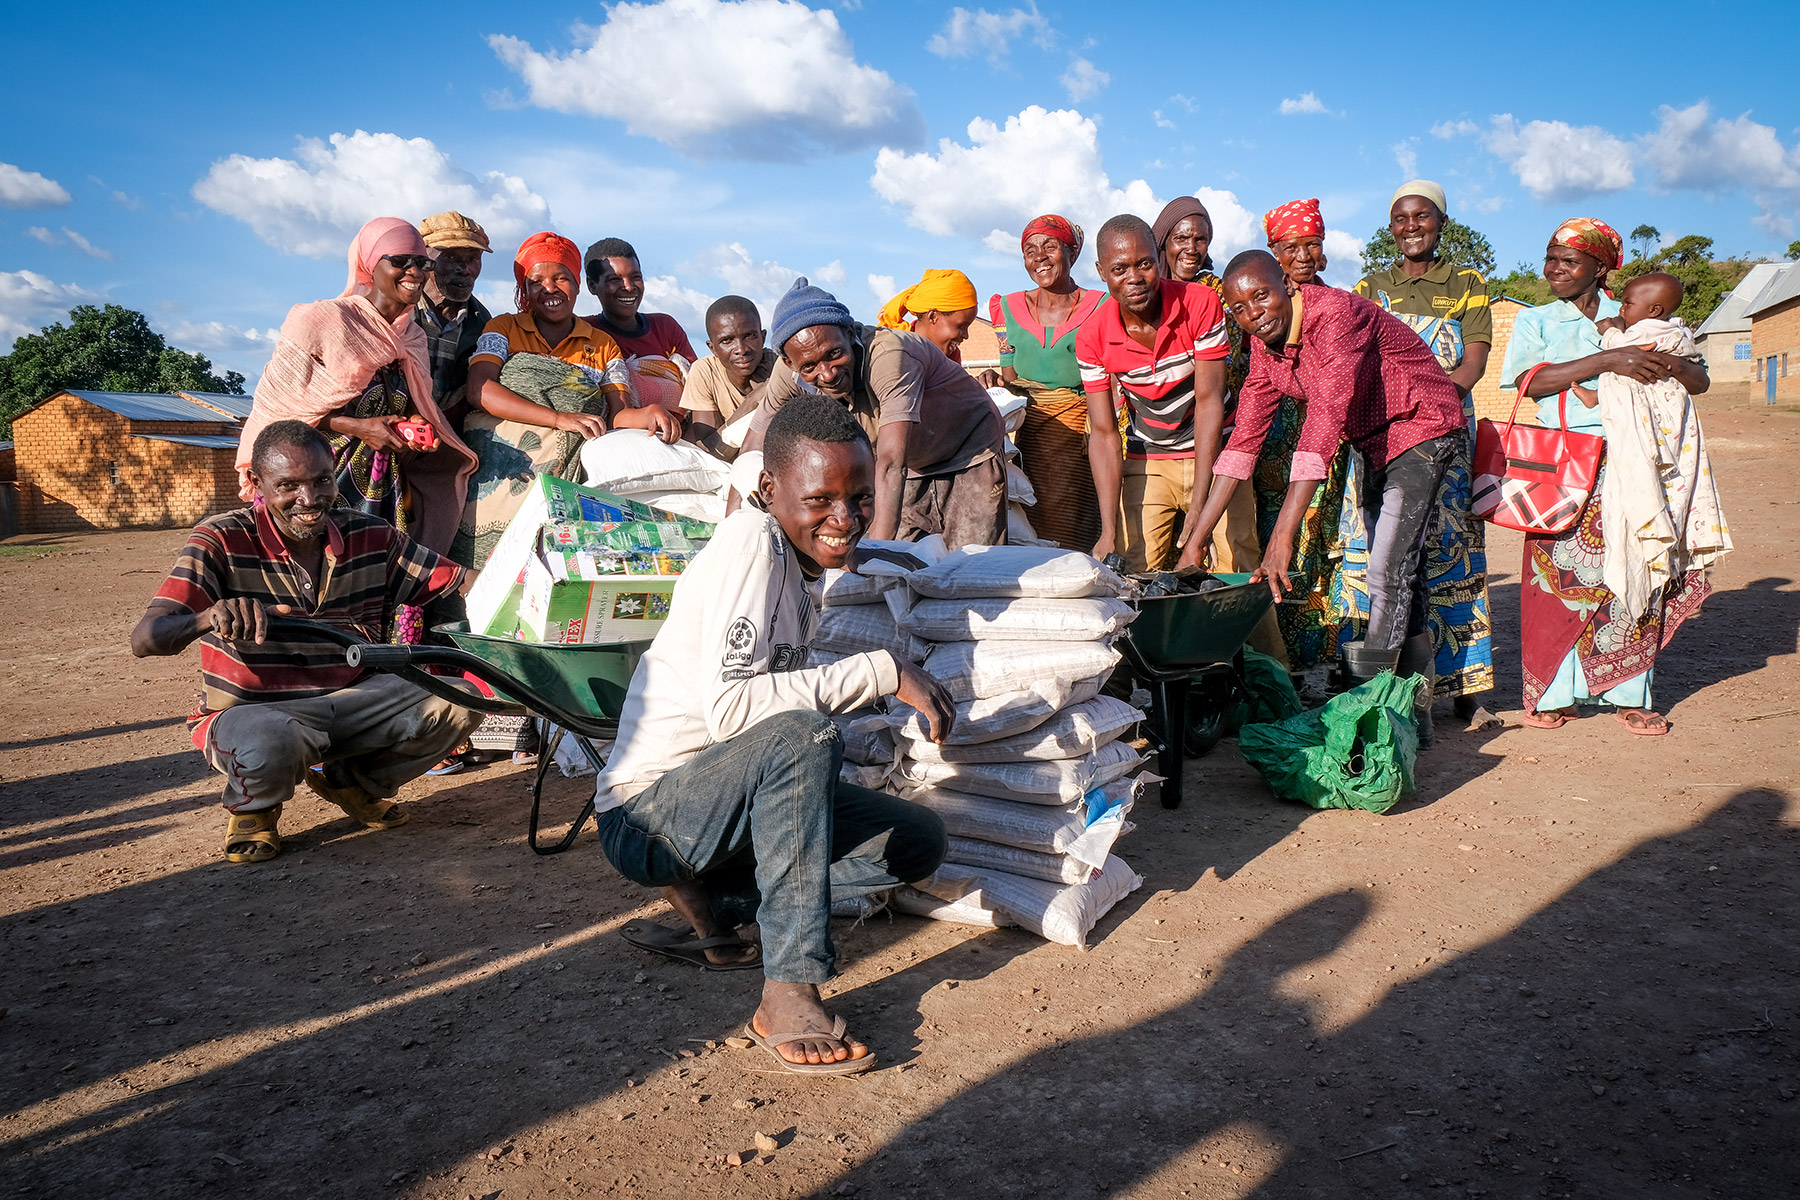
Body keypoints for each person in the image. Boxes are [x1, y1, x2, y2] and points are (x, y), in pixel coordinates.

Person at [593, 393, 950, 1075]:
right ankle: (787, 990)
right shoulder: (750, 543)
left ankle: (714, 905)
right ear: (768, 489)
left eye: (857, 496)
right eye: (820, 499)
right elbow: (733, 711)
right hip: (647, 817)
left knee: (915, 841)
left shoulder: (801, 567)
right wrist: (878, 670)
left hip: (718, 808)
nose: (844, 519)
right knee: (805, 737)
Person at [131, 420, 483, 864]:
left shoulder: (370, 536)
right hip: (257, 710)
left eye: (320, 481)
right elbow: (146, 639)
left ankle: (353, 782)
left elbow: (460, 582)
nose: (310, 499)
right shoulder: (220, 537)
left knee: (461, 699)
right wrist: (207, 616)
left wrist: (546, 578)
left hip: (354, 699)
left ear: (333, 470)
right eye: (289, 486)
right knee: (270, 741)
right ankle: (254, 808)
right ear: (257, 484)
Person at [1187, 250, 1470, 744]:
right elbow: (1241, 445)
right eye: (1239, 307)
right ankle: (1416, 720)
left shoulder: (1338, 315)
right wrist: (1196, 538)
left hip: (1422, 428)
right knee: (1403, 572)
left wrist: (1283, 536)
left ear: (1288, 287)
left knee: (1387, 571)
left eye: (1261, 295)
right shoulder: (1264, 347)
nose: (1253, 312)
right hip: (1375, 440)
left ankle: (1372, 723)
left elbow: (1322, 426)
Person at [1500, 221, 1714, 736]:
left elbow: (1700, 378)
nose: (1554, 269)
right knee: (1557, 580)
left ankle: (1630, 693)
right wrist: (1609, 359)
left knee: (1637, 568)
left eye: (1568, 261)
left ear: (1600, 268)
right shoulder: (1538, 321)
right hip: (1565, 462)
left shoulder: (1639, 315)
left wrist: (1664, 361)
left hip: (1636, 458)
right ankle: (1554, 692)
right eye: (1550, 259)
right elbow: (1532, 383)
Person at [236, 217, 476, 569]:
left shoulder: (411, 339)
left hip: (380, 491)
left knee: (374, 582)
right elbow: (279, 414)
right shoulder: (323, 322)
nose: (414, 271)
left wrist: (412, 428)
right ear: (369, 265)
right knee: (306, 581)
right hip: (311, 486)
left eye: (422, 263)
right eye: (399, 261)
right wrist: (359, 427)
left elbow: (408, 404)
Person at [1353, 180, 1496, 721]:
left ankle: (1464, 684)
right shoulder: (1371, 286)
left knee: (1452, 553)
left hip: (1447, 433)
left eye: (1422, 217)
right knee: (1390, 556)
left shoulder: (1467, 282)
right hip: (1385, 435)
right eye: (1400, 218)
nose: (1410, 227)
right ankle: (1402, 687)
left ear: (1440, 222)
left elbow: (1474, 363)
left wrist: (1429, 410)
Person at [454, 232, 677, 570]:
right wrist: (558, 418)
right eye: (537, 281)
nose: (550, 288)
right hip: (501, 465)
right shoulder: (504, 328)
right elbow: (479, 390)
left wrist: (649, 414)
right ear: (523, 289)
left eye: (561, 278)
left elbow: (617, 415)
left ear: (576, 285)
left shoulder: (602, 345)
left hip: (565, 471)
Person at [744, 277, 1008, 550]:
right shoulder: (789, 369)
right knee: (907, 567)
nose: (827, 374)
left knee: (969, 564)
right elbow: (751, 448)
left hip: (968, 450)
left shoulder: (887, 355)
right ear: (789, 362)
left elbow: (892, 461)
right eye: (809, 366)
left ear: (849, 333)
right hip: (912, 464)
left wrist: (872, 552)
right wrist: (734, 531)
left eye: (834, 354)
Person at [1074, 214, 1231, 574]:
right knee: (1133, 570)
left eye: (1144, 264)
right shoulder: (1092, 336)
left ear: (1158, 260)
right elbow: (1103, 432)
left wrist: (1201, 505)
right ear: (1101, 271)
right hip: (1150, 458)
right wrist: (1108, 529)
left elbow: (1209, 401)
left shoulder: (1201, 303)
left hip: (1216, 455)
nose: (1134, 278)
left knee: (1234, 564)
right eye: (1119, 269)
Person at [1151, 195, 1262, 577]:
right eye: (1182, 238)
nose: (1192, 248)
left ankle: (1237, 632)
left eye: (1201, 239)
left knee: (1236, 548)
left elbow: (1226, 367)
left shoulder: (1218, 290)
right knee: (1153, 558)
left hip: (1221, 433)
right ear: (1163, 239)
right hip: (1157, 442)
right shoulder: (1142, 291)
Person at [988, 214, 1106, 551]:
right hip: (1030, 442)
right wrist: (994, 381)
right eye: (1029, 250)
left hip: (1083, 437)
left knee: (1081, 525)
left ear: (1071, 253)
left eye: (1050, 246)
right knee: (1032, 524)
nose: (1039, 256)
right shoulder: (1006, 307)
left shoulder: (1102, 306)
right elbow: (1009, 375)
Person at [582, 237, 699, 413]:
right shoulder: (585, 333)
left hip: (682, 435)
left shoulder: (665, 327)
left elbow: (699, 388)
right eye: (615, 279)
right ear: (592, 285)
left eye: (635, 277)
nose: (629, 287)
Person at [415, 211, 494, 435]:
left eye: (473, 259)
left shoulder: (482, 325)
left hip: (447, 438)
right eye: (450, 257)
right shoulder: (397, 313)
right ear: (424, 259)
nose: (465, 269)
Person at [681, 294, 776, 459]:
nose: (741, 349)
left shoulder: (779, 367)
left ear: (763, 338)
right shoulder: (705, 371)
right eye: (727, 341)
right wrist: (752, 401)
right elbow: (710, 451)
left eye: (750, 336)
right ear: (713, 348)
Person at [879, 268, 981, 362]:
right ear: (933, 316)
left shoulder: (951, 356)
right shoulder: (894, 350)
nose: (966, 336)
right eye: (961, 326)